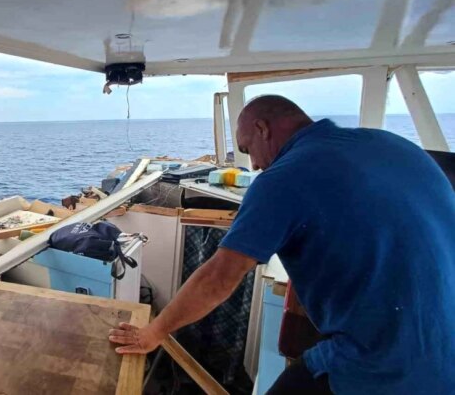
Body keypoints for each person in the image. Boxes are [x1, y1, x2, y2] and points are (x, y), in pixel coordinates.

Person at [109, 95, 455, 394]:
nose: (255, 164)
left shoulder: (284, 178)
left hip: (386, 363)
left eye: (246, 149)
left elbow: (218, 279)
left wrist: (154, 332)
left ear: (263, 129)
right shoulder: (392, 144)